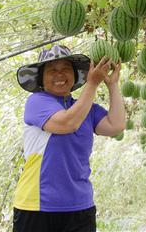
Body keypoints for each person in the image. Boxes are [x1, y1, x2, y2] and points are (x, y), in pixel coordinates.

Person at [13, 43, 126, 232]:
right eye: (52, 70)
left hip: (80, 207)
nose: (60, 74)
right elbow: (66, 124)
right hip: (37, 206)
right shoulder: (37, 101)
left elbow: (116, 126)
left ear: (75, 76)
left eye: (66, 69)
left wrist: (112, 84)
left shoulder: (85, 108)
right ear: (41, 78)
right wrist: (92, 84)